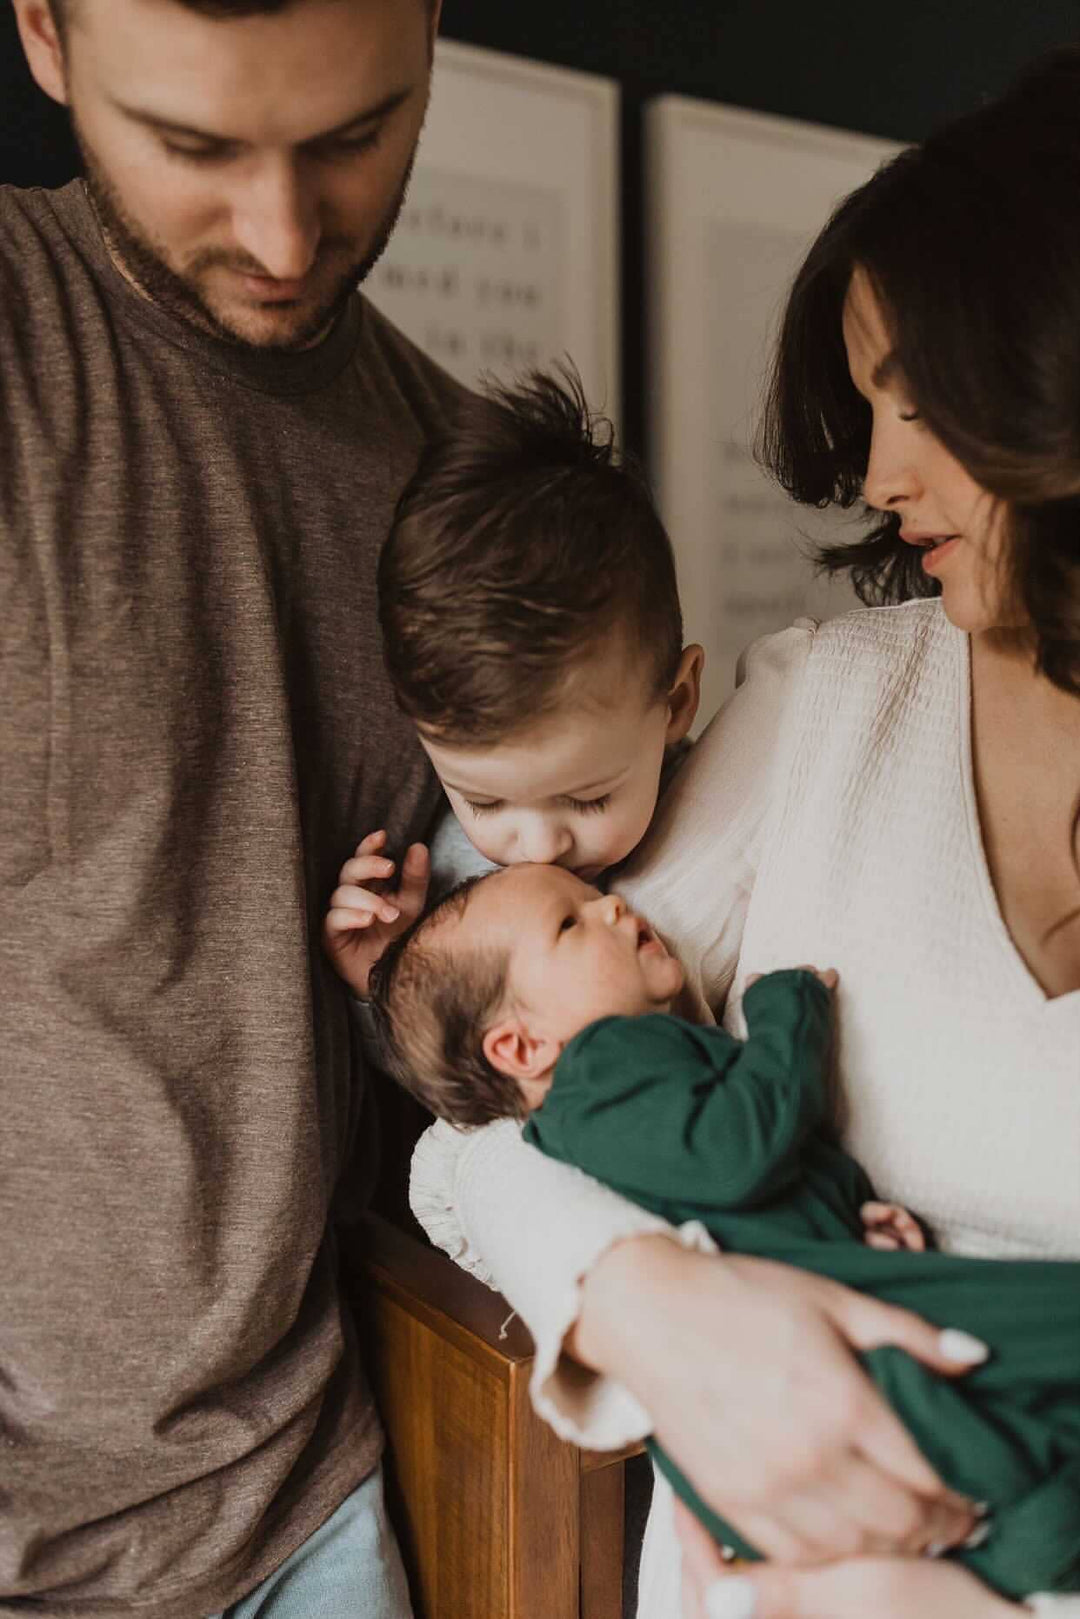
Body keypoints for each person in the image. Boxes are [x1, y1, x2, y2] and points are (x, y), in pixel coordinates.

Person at [407, 45, 1080, 1619]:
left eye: (924, 407)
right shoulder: (833, 709)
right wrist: (644, 1302)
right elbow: (479, 1135)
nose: (880, 471)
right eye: (868, 405)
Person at [1, 0, 471, 1613]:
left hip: (307, 1501)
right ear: (44, 36)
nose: (285, 234)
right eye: (197, 147)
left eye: (352, 136)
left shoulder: (460, 480)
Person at [369, 859, 1080, 1601]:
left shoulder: (601, 1108)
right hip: (809, 1344)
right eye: (570, 922)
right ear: (521, 1047)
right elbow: (739, 1151)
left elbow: (723, 1198)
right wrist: (787, 1007)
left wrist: (848, 1216)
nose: (614, 907)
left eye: (593, 898)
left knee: (995, 1479)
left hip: (806, 1353)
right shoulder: (605, 1065)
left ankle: (1025, 1545)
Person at [321, 366, 704, 996]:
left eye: (588, 800)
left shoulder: (713, 808)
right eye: (486, 802)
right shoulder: (450, 896)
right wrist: (389, 981)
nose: (537, 847)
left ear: (677, 701)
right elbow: (457, 1083)